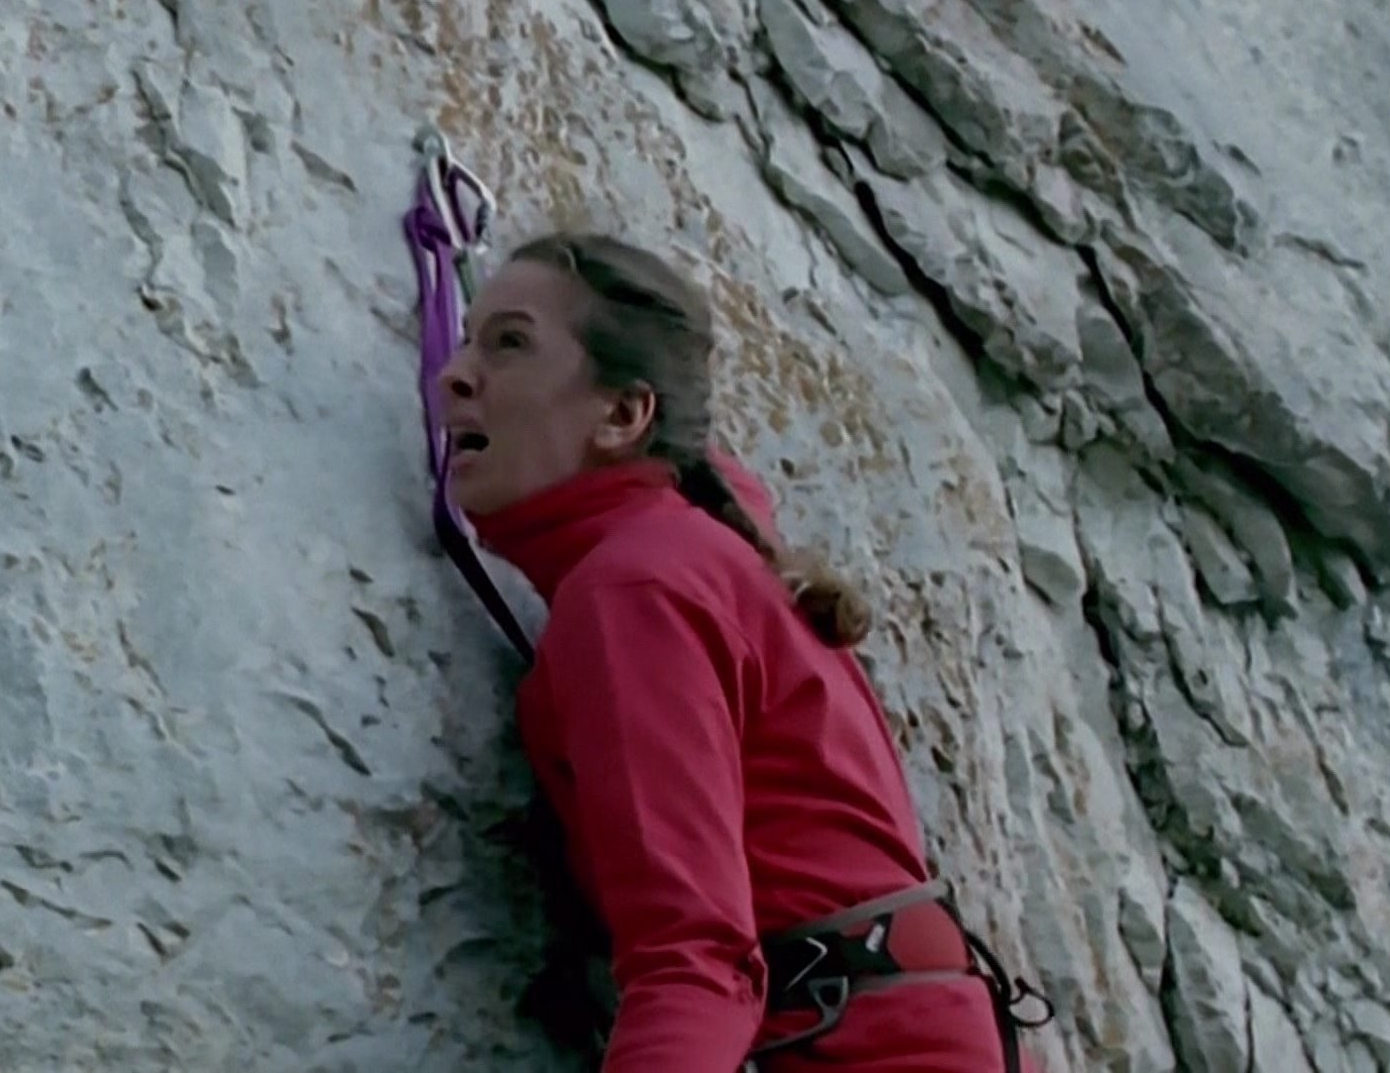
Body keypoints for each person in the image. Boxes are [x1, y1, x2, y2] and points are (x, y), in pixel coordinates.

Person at [435, 232, 1046, 1072]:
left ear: (624, 415)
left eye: (508, 344)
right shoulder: (700, 547)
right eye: (466, 339)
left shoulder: (636, 590)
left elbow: (696, 964)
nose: (455, 374)